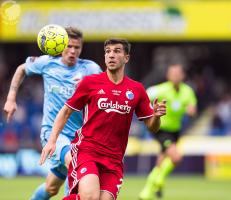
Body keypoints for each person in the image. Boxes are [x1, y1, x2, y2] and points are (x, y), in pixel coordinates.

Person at [39, 38, 167, 200]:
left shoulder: (136, 89)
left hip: (114, 159)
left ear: (126, 58)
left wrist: (156, 117)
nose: (111, 55)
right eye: (108, 52)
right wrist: (52, 141)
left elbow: (152, 126)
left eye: (117, 51)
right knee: (90, 197)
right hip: (87, 151)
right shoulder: (90, 83)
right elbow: (65, 111)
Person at [3, 27, 102, 200]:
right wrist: (11, 98)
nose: (72, 51)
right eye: (69, 46)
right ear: (61, 45)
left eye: (77, 47)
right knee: (76, 164)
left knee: (51, 188)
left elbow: (105, 90)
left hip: (80, 136)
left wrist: (91, 90)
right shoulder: (47, 63)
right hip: (53, 134)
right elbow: (21, 69)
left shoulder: (90, 69)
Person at [139, 64, 197, 199]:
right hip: (160, 129)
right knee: (176, 157)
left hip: (175, 131)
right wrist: (149, 111)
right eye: (173, 74)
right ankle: (159, 181)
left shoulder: (187, 91)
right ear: (168, 76)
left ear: (183, 76)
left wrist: (191, 111)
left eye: (178, 74)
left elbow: (192, 107)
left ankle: (146, 192)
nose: (175, 76)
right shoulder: (160, 89)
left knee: (161, 161)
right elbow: (143, 96)